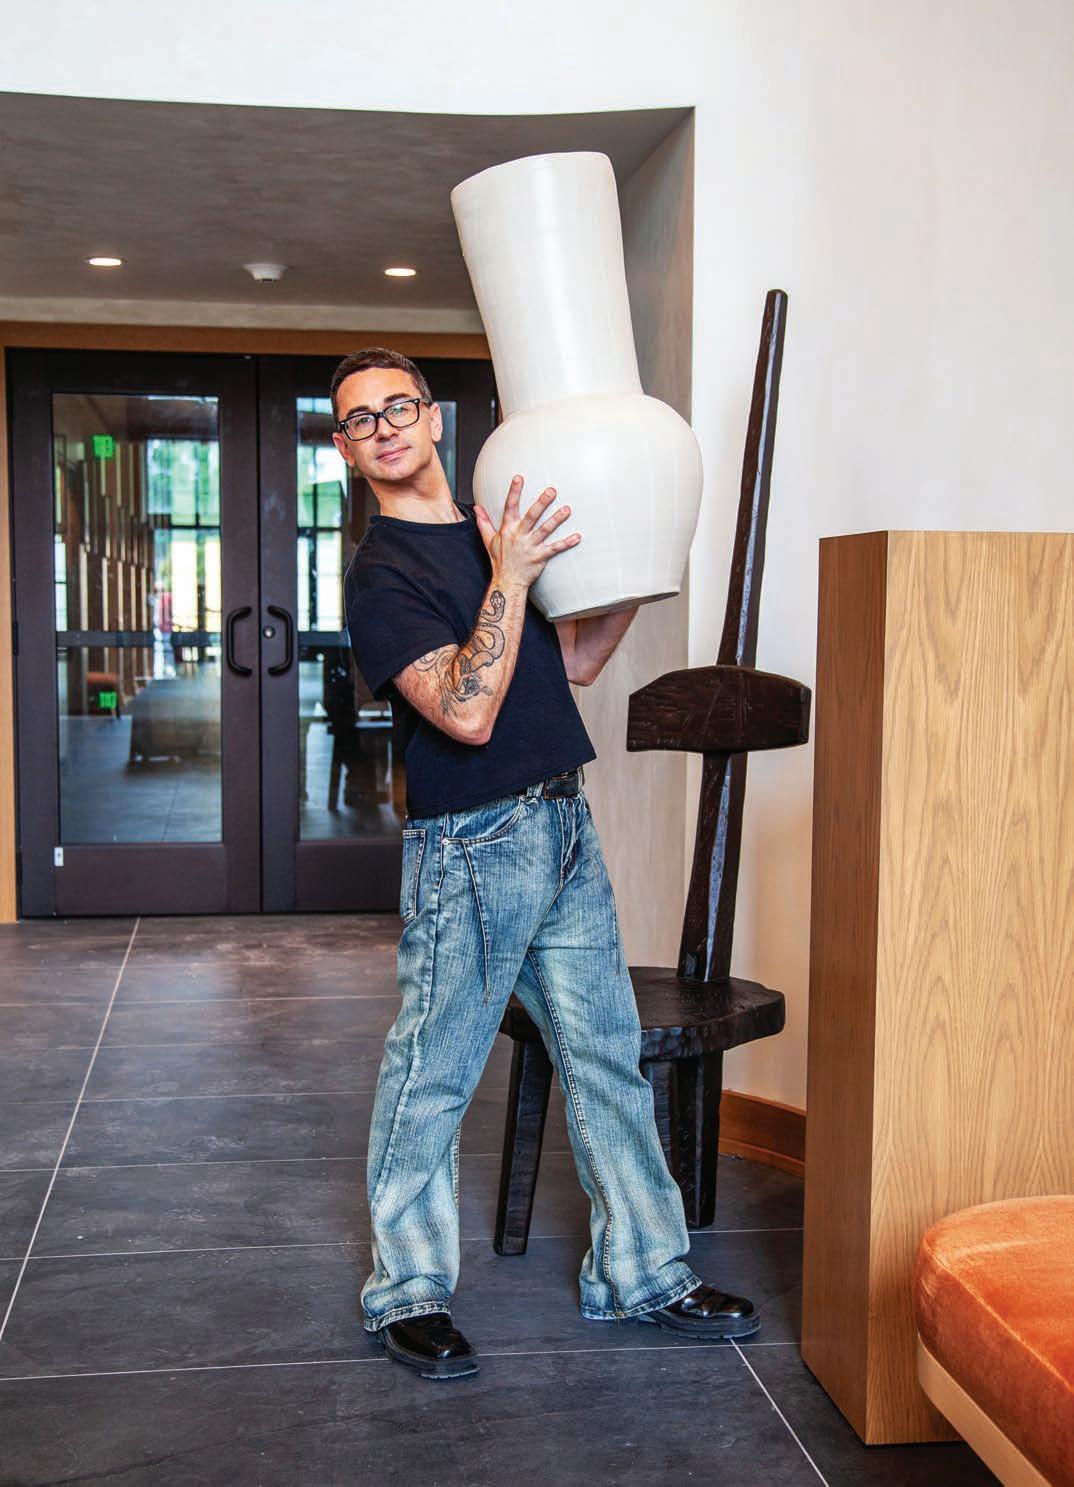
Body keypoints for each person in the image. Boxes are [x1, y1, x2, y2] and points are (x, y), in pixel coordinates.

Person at [336, 347, 760, 1381]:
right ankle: (407, 1292)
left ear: (433, 418)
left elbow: (569, 663)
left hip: (563, 824)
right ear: (345, 448)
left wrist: (639, 561)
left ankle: (643, 1270)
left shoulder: (494, 531)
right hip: (469, 847)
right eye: (360, 419)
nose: (385, 427)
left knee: (606, 1056)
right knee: (433, 1074)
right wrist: (513, 576)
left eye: (399, 406)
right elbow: (467, 711)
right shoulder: (383, 574)